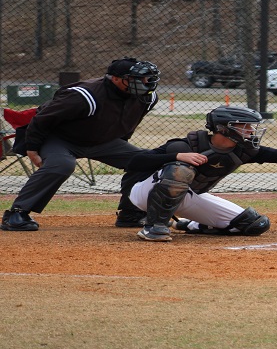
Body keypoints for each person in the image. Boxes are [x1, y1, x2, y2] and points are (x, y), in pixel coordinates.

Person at [123, 105, 277, 242]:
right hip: (145, 194)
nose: (250, 131)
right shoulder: (186, 145)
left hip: (187, 197)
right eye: (244, 126)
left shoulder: (244, 150)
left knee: (255, 224)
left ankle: (191, 226)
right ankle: (154, 228)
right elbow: (134, 160)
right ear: (224, 129)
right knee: (179, 170)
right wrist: (175, 157)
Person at [1, 57, 160, 232]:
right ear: (115, 78)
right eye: (138, 78)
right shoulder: (84, 95)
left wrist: (121, 145)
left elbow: (129, 122)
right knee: (62, 164)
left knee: (144, 161)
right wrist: (32, 149)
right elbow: (42, 120)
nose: (146, 82)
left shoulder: (147, 98)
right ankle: (17, 213)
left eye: (147, 78)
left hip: (101, 140)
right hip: (60, 139)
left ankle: (131, 214)